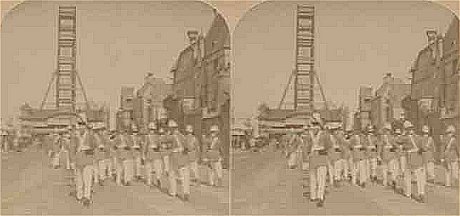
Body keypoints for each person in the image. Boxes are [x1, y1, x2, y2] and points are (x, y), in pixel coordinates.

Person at [308, 121, 329, 207]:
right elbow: (306, 147)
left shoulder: (324, 135)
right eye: (313, 127)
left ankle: (320, 197)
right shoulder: (310, 136)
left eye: (316, 127)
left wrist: (321, 149)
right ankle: (313, 196)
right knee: (313, 179)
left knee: (321, 179)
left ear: (319, 127)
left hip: (321, 159)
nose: (314, 129)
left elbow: (329, 146)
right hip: (313, 160)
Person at [168, 121, 190, 200]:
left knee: (172, 175)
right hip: (183, 158)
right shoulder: (183, 136)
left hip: (174, 158)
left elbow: (167, 147)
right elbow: (188, 147)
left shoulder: (170, 137)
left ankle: (173, 192)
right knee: (185, 176)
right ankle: (186, 192)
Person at [404, 121, 425, 201]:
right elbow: (423, 148)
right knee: (420, 178)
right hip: (418, 159)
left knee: (407, 177)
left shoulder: (405, 138)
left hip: (410, 159)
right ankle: (421, 193)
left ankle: (408, 193)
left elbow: (399, 143)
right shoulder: (419, 137)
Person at [75, 131, 95, 207]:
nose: (81, 128)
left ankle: (87, 197)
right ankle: (79, 195)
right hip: (78, 160)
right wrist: (72, 160)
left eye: (82, 125)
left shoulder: (90, 135)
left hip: (87, 160)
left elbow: (95, 145)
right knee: (79, 179)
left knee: (87, 180)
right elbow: (72, 147)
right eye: (79, 126)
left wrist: (88, 148)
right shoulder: (75, 136)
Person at [379, 123, 397, 188]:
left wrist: (379, 155)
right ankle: (392, 180)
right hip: (390, 155)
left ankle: (385, 182)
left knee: (385, 169)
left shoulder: (382, 137)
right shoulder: (392, 137)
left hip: (385, 154)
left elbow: (380, 146)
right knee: (391, 169)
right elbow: (395, 146)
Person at [145, 123, 162, 187]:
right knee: (148, 168)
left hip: (156, 154)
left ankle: (158, 179)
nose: (152, 131)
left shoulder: (157, 137)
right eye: (151, 129)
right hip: (149, 154)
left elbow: (160, 145)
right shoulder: (147, 137)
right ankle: (149, 181)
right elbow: (145, 146)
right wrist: (143, 155)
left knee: (158, 168)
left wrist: (158, 148)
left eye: (153, 129)